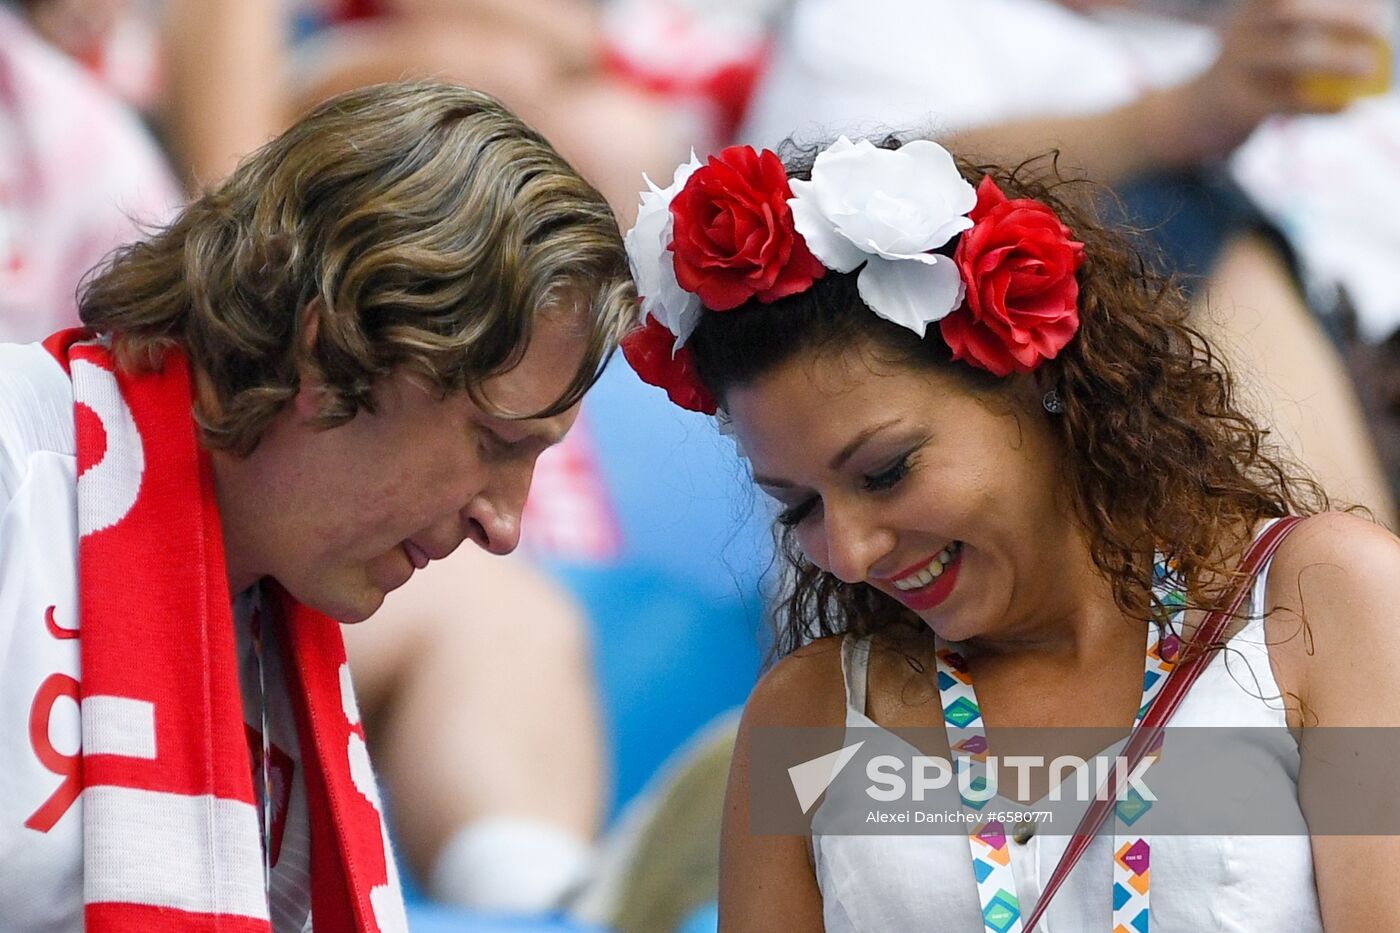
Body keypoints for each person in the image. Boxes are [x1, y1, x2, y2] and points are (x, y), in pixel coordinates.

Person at [618, 136, 1400, 929]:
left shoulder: (1323, 603)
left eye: (886, 472)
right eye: (800, 506)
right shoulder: (806, 716)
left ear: (1036, 375)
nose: (849, 554)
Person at [0, 81, 634, 932]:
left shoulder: (276, 588)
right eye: (493, 440)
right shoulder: (15, 471)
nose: (506, 523)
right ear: (330, 349)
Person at [741, 0, 1398, 522]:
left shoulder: (1314, 27)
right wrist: (1177, 119)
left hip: (1367, 374)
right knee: (1172, 210)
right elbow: (850, 203)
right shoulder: (891, 20)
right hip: (1159, 432)